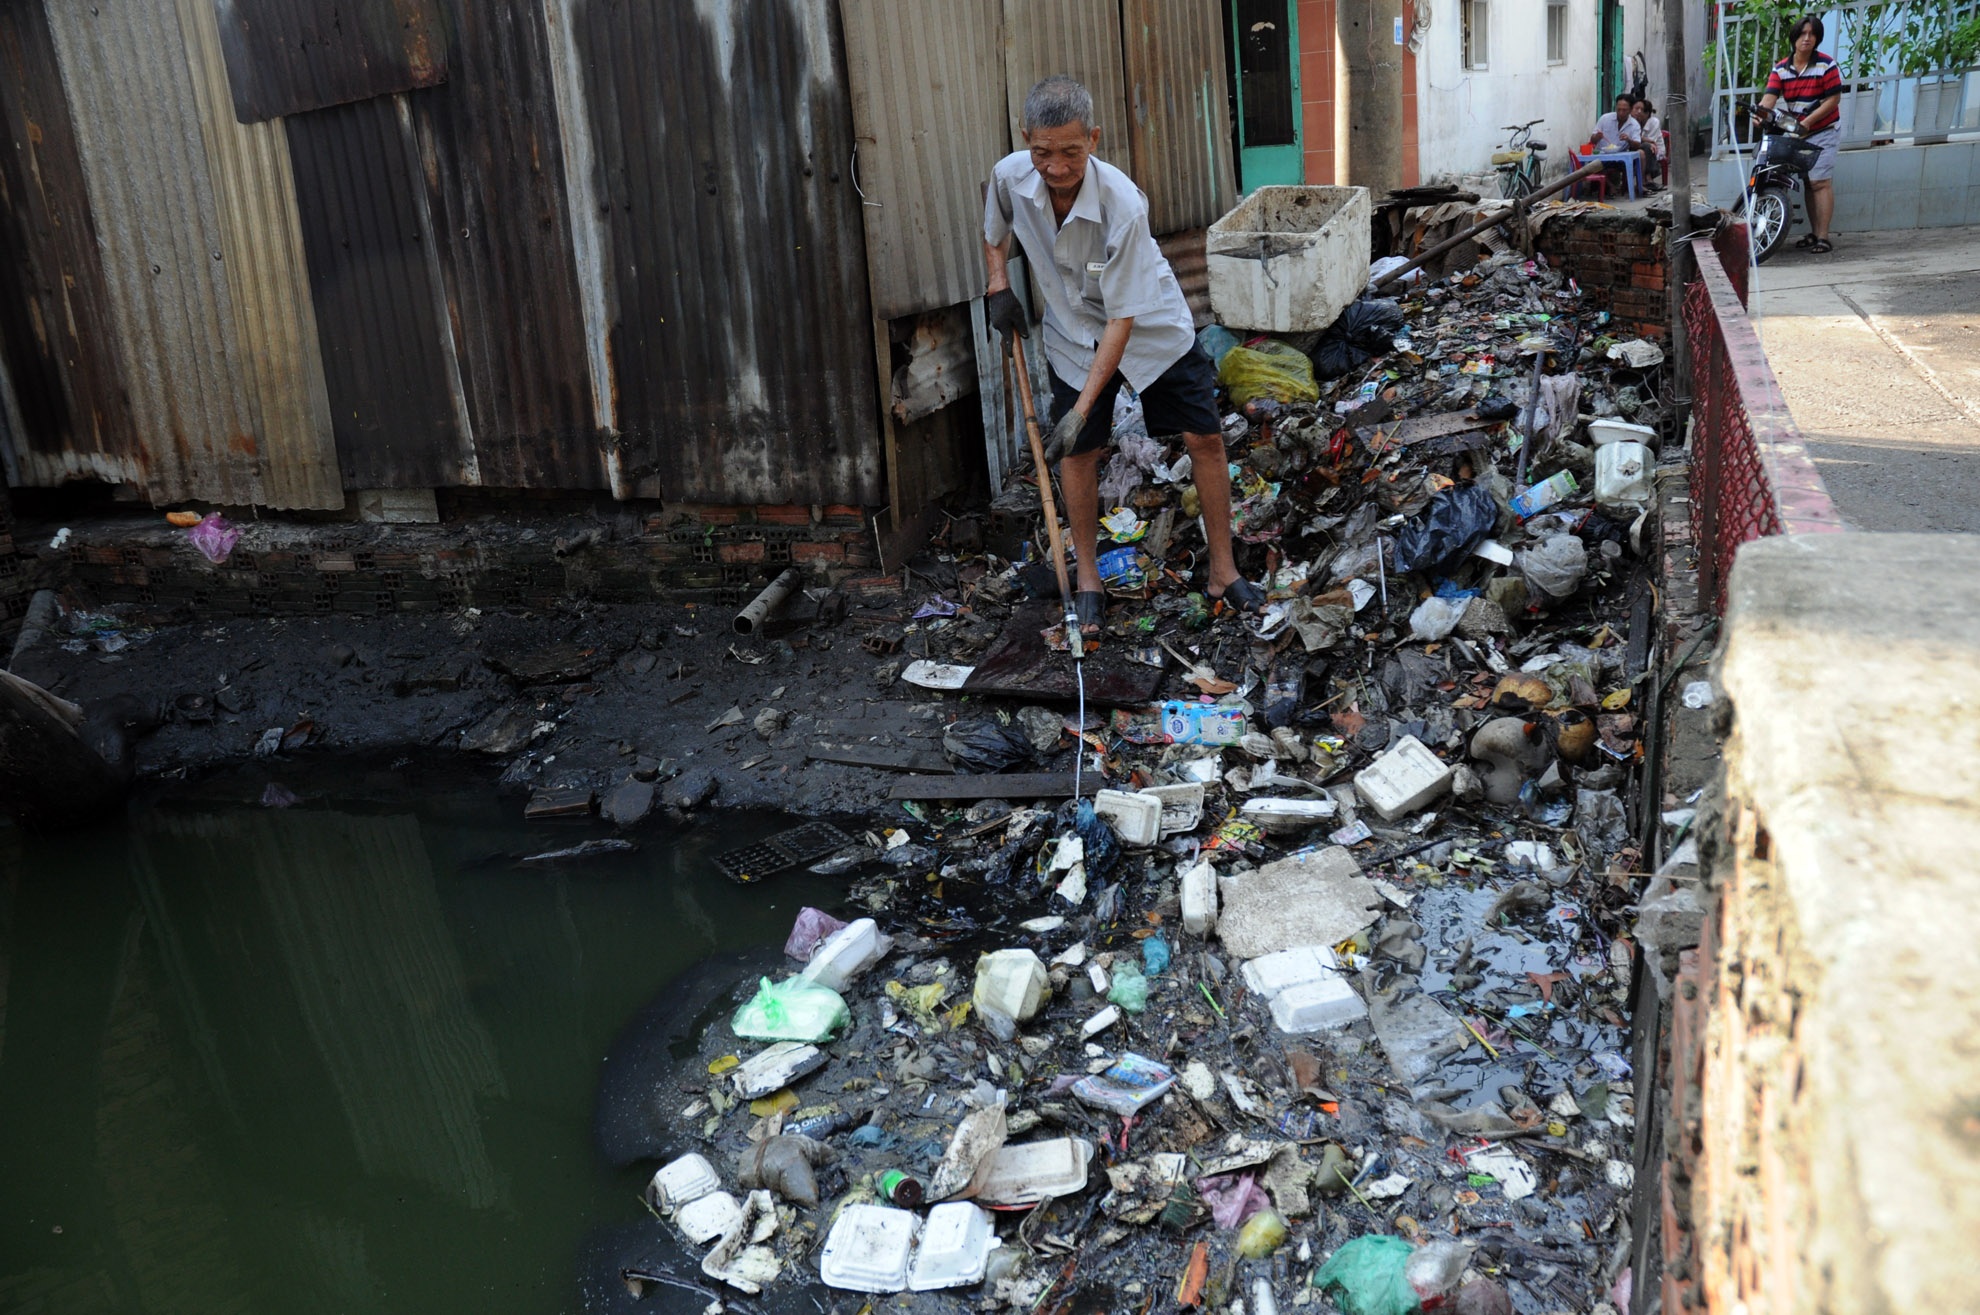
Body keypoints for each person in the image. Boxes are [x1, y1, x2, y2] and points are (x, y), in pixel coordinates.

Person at [982, 75, 1264, 634]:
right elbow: (994, 233)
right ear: (1025, 139)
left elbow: (1122, 319)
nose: (1055, 167)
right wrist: (998, 284)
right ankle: (1088, 578)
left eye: (1071, 152)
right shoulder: (1011, 176)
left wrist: (1083, 409)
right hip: (1070, 334)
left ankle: (1222, 571)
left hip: (1149, 330)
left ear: (1094, 138)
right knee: (1078, 456)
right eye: (1042, 152)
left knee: (1204, 437)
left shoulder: (1122, 204)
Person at [1752, 14, 1842, 253]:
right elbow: (1769, 98)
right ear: (1794, 38)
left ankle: (1823, 237)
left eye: (1812, 34)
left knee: (1820, 182)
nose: (1807, 39)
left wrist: (1809, 122)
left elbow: (1833, 99)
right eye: (1802, 34)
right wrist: (1760, 114)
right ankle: (1813, 235)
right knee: (1808, 182)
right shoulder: (1781, 69)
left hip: (1823, 129)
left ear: (1817, 39)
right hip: (1799, 131)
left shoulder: (1826, 64)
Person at [1593, 93, 1661, 193]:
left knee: (1641, 153)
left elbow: (1637, 144)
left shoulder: (1634, 124)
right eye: (1618, 109)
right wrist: (1597, 137)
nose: (1621, 113)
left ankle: (1640, 184)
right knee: (1592, 165)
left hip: (1620, 158)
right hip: (1602, 156)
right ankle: (1610, 186)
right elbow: (1592, 140)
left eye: (1624, 110)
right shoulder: (1605, 119)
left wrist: (1629, 140)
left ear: (1630, 109)